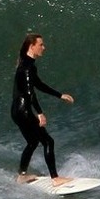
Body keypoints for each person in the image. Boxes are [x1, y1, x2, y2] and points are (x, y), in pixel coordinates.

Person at [11, 33, 75, 186]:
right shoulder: (27, 68)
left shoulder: (27, 65)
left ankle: (22, 175)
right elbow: (29, 93)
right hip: (24, 111)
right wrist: (40, 113)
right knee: (48, 141)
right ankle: (55, 179)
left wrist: (60, 95)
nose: (44, 48)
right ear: (31, 46)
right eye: (41, 45)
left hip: (16, 111)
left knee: (33, 142)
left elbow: (38, 84)